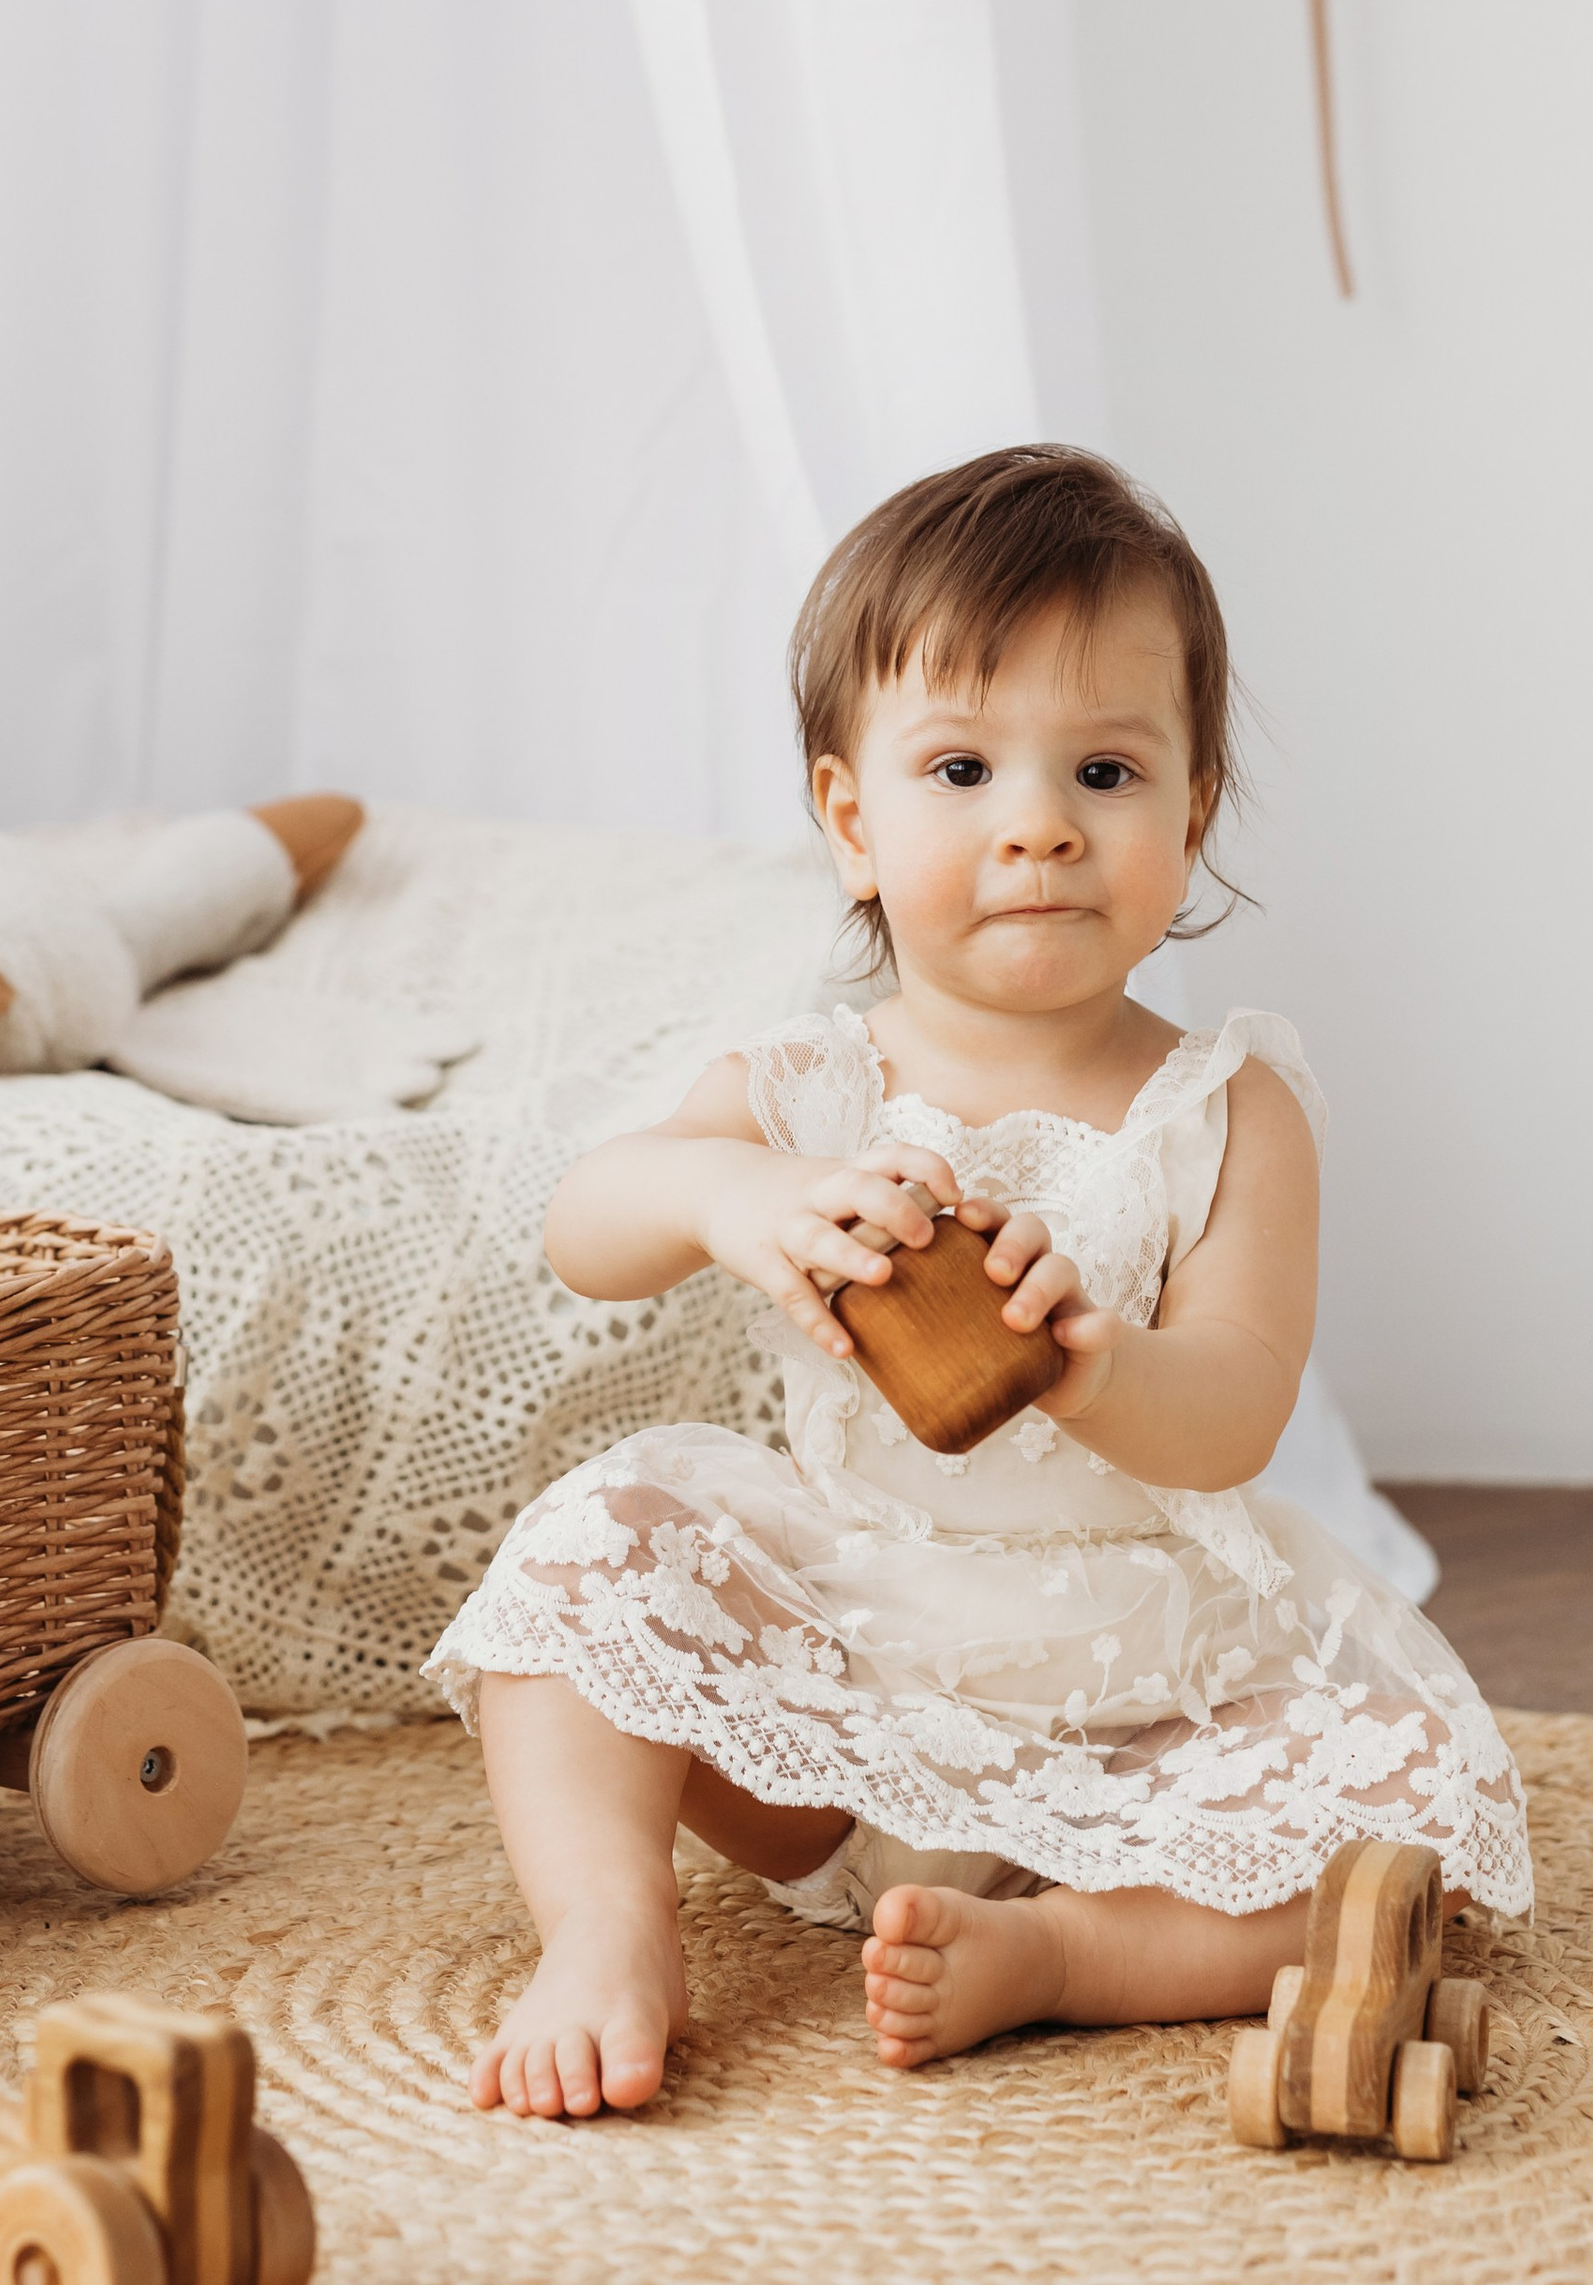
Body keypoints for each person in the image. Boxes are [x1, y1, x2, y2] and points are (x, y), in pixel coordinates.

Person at [427, 445, 1528, 2121]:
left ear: (1190, 814)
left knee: (1404, 1827)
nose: (1037, 828)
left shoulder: (1228, 1109)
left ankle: (1073, 1955)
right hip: (841, 1678)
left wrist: (1094, 1361)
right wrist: (743, 1197)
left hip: (1135, 1697)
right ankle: (606, 1928)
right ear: (853, 825)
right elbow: (588, 1223)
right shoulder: (809, 1085)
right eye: (960, 769)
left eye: (1103, 769)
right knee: (592, 1549)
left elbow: (1235, 1405)